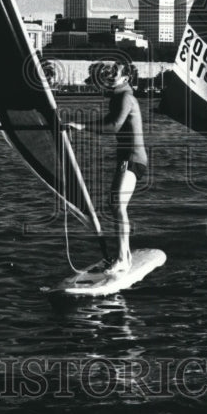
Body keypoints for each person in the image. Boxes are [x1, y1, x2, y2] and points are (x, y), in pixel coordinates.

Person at [67, 62, 147, 273]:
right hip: (130, 158)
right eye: (108, 73)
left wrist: (83, 126)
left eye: (115, 73)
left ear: (126, 79)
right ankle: (125, 255)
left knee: (118, 205)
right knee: (115, 204)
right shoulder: (118, 97)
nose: (110, 76)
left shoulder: (125, 97)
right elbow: (109, 120)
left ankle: (122, 258)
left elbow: (114, 126)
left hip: (133, 158)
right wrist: (78, 124)